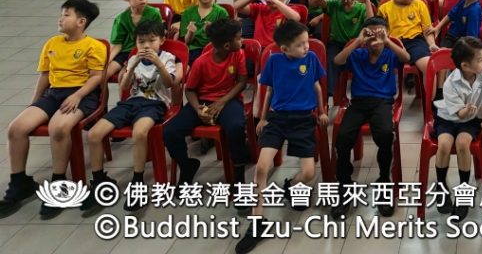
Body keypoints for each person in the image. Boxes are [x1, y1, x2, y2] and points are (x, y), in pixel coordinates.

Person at [0, 0, 104, 218]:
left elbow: (96, 77)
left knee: (58, 128)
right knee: (16, 129)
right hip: (53, 94)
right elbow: (45, 76)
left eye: (66, 15)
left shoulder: (94, 46)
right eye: (61, 14)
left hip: (82, 94)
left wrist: (77, 95)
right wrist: (35, 103)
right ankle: (19, 183)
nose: (60, 18)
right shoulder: (52, 43)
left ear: (81, 22)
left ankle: (58, 186)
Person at [237, 20, 327, 254]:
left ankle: (292, 185)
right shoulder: (274, 61)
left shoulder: (311, 59)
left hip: (304, 120)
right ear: (285, 48)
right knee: (261, 168)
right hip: (277, 119)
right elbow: (269, 90)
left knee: (308, 173)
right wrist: (263, 118)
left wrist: (321, 112)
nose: (306, 47)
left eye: (307, 42)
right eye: (300, 45)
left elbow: (317, 87)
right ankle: (257, 224)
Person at [81, 18, 181, 215]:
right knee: (94, 134)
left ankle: (138, 182)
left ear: (161, 40)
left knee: (140, 133)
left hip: (155, 104)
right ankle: (99, 180)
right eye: (141, 41)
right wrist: (131, 67)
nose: (146, 45)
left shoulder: (168, 57)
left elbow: (170, 83)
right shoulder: (134, 57)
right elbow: (125, 87)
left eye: (151, 40)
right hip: (131, 103)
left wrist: (158, 63)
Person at [331, 18, 409, 218]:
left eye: (379, 33)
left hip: (382, 102)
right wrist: (358, 41)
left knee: (385, 134)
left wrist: (388, 41)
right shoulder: (358, 54)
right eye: (370, 33)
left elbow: (406, 58)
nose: (375, 38)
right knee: (343, 137)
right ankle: (345, 184)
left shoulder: (390, 54)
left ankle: (384, 180)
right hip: (358, 103)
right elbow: (337, 61)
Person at [162, 18, 249, 190]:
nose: (242, 40)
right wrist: (198, 109)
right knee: (170, 131)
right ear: (226, 45)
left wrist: (221, 102)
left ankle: (238, 176)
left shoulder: (238, 53)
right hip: (202, 101)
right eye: (239, 38)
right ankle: (187, 165)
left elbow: (242, 82)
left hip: (228, 100)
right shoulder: (201, 62)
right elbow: (190, 90)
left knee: (236, 127)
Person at [432, 37, 482, 219]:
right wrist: (466, 110)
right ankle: (441, 187)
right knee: (444, 145)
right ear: (465, 66)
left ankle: (463, 193)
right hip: (448, 118)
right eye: (480, 60)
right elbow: (459, 114)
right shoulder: (450, 83)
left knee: (463, 144)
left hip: (470, 121)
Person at [377, 0, 439, 81]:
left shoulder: (420, 5)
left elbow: (427, 30)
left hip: (415, 42)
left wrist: (431, 44)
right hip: (393, 44)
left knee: (429, 67)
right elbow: (381, 32)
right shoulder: (384, 8)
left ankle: (429, 94)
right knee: (380, 69)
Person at [108, 0, 162, 77]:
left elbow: (158, 37)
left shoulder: (154, 13)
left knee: (123, 75)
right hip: (125, 53)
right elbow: (117, 45)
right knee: (104, 74)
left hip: (146, 51)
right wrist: (107, 61)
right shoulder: (121, 18)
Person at [234, 0, 302, 50]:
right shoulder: (260, 8)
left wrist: (274, 0)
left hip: (278, 50)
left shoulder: (290, 9)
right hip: (258, 50)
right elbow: (236, 7)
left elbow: (295, 18)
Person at [181, 0, 231, 64]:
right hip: (193, 52)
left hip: (214, 50)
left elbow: (225, 39)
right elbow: (187, 42)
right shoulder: (187, 13)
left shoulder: (221, 12)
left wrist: (212, 31)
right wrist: (190, 32)